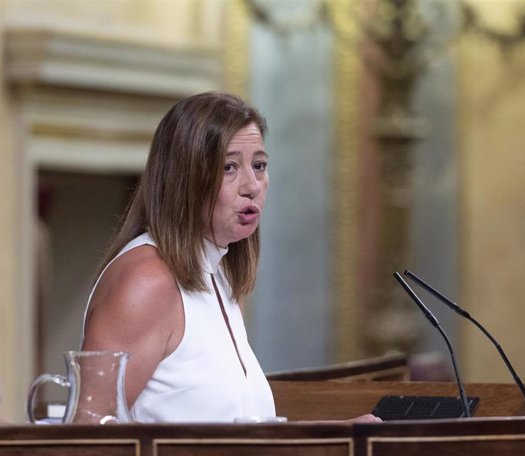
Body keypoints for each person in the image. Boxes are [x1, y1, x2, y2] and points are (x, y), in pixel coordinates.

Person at [81, 92, 379, 424]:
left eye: (260, 165)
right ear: (186, 179)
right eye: (229, 167)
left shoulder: (215, 273)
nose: (252, 186)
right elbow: (90, 434)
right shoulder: (147, 280)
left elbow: (244, 431)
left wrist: (338, 434)